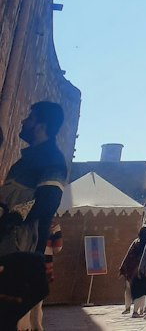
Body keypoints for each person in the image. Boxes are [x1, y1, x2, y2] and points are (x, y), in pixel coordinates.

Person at [0, 106, 68, 331]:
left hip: (19, 254)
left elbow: (46, 202)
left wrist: (11, 219)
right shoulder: (24, 163)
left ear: (41, 125)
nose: (23, 121)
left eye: (29, 117)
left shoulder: (52, 161)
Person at [15, 217, 62, 331]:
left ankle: (24, 327)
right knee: (38, 302)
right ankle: (36, 326)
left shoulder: (25, 220)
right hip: (44, 265)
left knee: (24, 301)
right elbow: (58, 248)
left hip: (26, 263)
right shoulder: (54, 224)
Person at [120, 225, 146, 316]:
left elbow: (128, 255)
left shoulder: (135, 242)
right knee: (141, 292)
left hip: (130, 271)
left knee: (129, 289)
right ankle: (137, 310)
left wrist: (124, 268)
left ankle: (128, 308)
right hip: (142, 271)